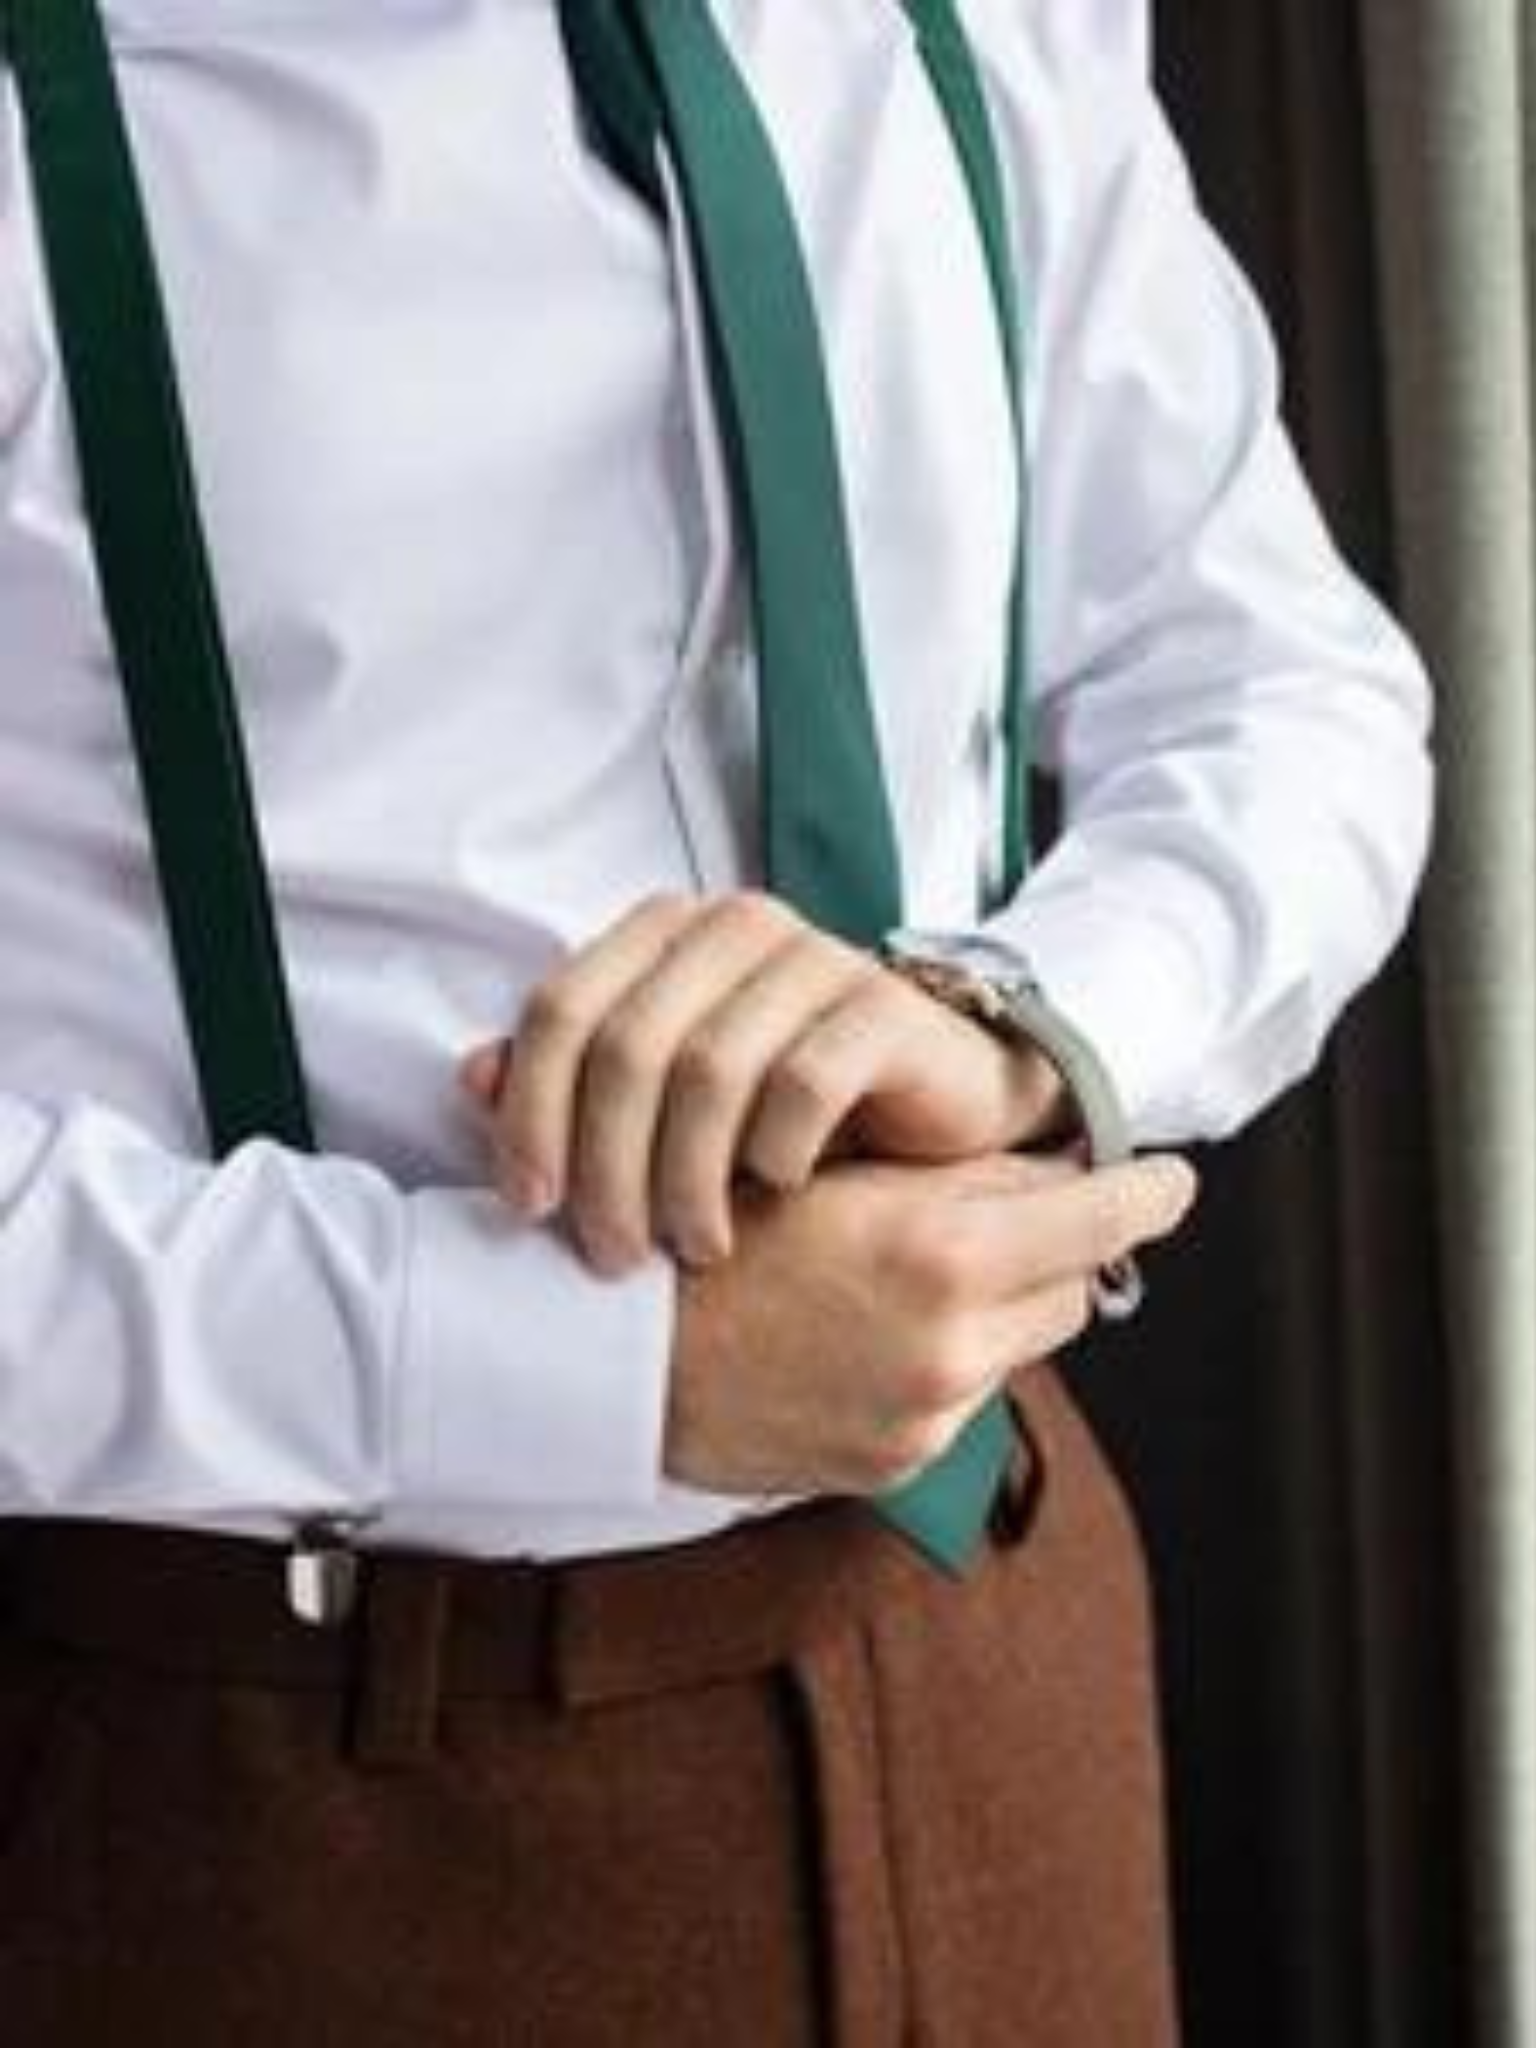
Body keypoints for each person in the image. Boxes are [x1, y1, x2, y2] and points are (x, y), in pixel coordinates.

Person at [0, 1, 1431, 2042]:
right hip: (283, 1797)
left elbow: (1279, 683)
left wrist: (1014, 1023)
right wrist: (584, 1363)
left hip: (995, 1645)